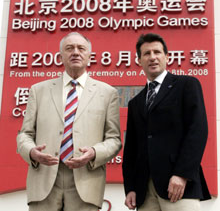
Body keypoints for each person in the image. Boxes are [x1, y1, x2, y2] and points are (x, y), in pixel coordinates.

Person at [17, 32, 121, 211]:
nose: (75, 52)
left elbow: (114, 139)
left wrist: (94, 152)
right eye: (69, 48)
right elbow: (25, 134)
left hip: (86, 179)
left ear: (89, 56)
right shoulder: (38, 90)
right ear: (60, 56)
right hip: (44, 178)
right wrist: (32, 152)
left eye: (81, 48)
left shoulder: (107, 93)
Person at [122, 33, 211, 211]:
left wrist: (182, 174)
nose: (152, 57)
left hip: (178, 185)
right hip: (144, 190)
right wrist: (130, 187)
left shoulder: (186, 85)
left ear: (167, 57)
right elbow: (131, 148)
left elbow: (197, 131)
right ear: (139, 60)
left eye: (157, 52)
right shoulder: (135, 102)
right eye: (146, 53)